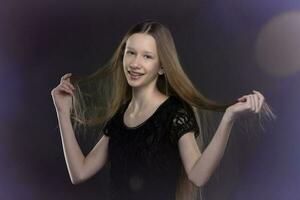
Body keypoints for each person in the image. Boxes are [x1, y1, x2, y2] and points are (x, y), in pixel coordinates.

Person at [51, 20, 275, 200]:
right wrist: (63, 112)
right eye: (130, 53)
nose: (135, 63)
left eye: (147, 56)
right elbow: (79, 173)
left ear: (162, 67)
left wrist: (228, 118)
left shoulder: (173, 113)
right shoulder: (120, 117)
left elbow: (198, 176)